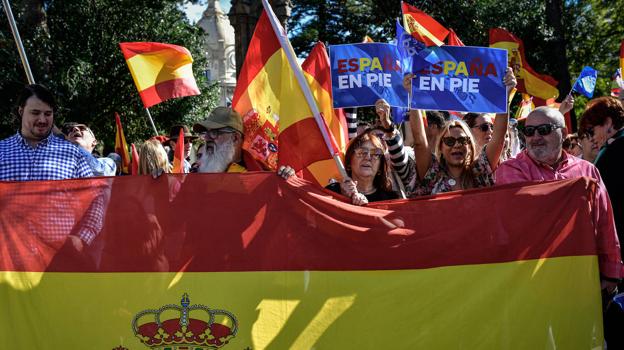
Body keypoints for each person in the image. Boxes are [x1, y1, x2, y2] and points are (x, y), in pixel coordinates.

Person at [496, 106, 623, 290]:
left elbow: (604, 223)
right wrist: (576, 190)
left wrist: (612, 274)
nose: (536, 137)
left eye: (544, 130)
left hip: (582, 273)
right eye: (529, 131)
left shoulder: (588, 171)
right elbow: (529, 214)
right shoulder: (511, 170)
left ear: (563, 132)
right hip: (530, 278)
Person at [401, 68, 516, 196]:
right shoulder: (432, 173)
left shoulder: (480, 171)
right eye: (449, 141)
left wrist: (504, 95)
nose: (456, 145)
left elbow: (499, 138)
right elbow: (420, 143)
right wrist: (413, 94)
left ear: (470, 146)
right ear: (441, 148)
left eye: (462, 140)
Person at [278, 130, 399, 205]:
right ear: (349, 163)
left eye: (375, 153)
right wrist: (292, 182)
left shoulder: (391, 199)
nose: (368, 157)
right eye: (362, 152)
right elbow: (309, 213)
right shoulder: (332, 191)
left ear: (380, 167)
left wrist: (367, 210)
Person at [0, 84, 93, 181]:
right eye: (35, 113)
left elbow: (94, 193)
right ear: (21, 111)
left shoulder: (72, 153)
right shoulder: (2, 150)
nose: (42, 120)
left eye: (48, 114)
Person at [580, 97, 624, 257]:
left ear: (608, 123)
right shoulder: (612, 147)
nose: (591, 136)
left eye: (592, 129)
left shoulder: (618, 149)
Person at [192, 107, 248, 173]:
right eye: (205, 133)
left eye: (214, 132)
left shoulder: (253, 178)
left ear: (235, 138)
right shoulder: (197, 172)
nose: (206, 138)